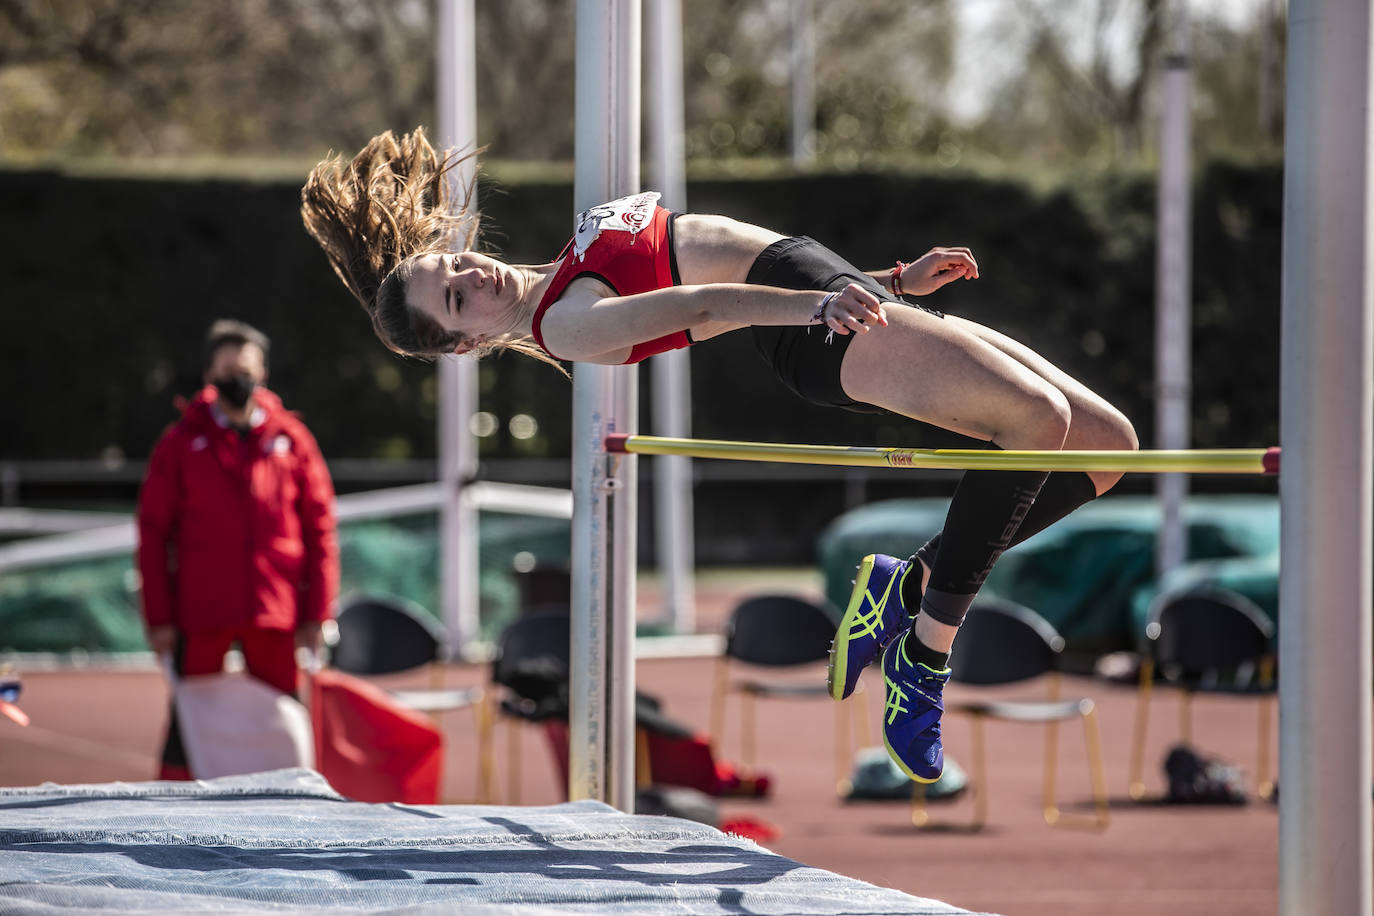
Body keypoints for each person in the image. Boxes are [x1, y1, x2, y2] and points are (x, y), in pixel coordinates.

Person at [300, 128, 1137, 784]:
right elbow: (703, 298)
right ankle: (925, 650)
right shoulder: (568, 322)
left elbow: (734, 247)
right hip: (818, 327)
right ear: (464, 342)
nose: (469, 273)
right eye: (454, 297)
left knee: (1107, 448)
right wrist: (821, 304)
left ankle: (908, 585)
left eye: (451, 262)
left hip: (832, 293)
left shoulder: (562, 267)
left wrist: (886, 280)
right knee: (1036, 420)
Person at [137, 319, 340, 780]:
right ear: (209, 374)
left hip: (275, 613)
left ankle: (289, 820)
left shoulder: (293, 441)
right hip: (202, 612)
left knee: (283, 727)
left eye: (245, 368)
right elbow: (152, 533)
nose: (237, 378)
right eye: (227, 369)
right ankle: (171, 826)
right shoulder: (180, 444)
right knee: (190, 728)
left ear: (263, 372)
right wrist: (159, 619)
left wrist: (317, 613)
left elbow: (321, 531)